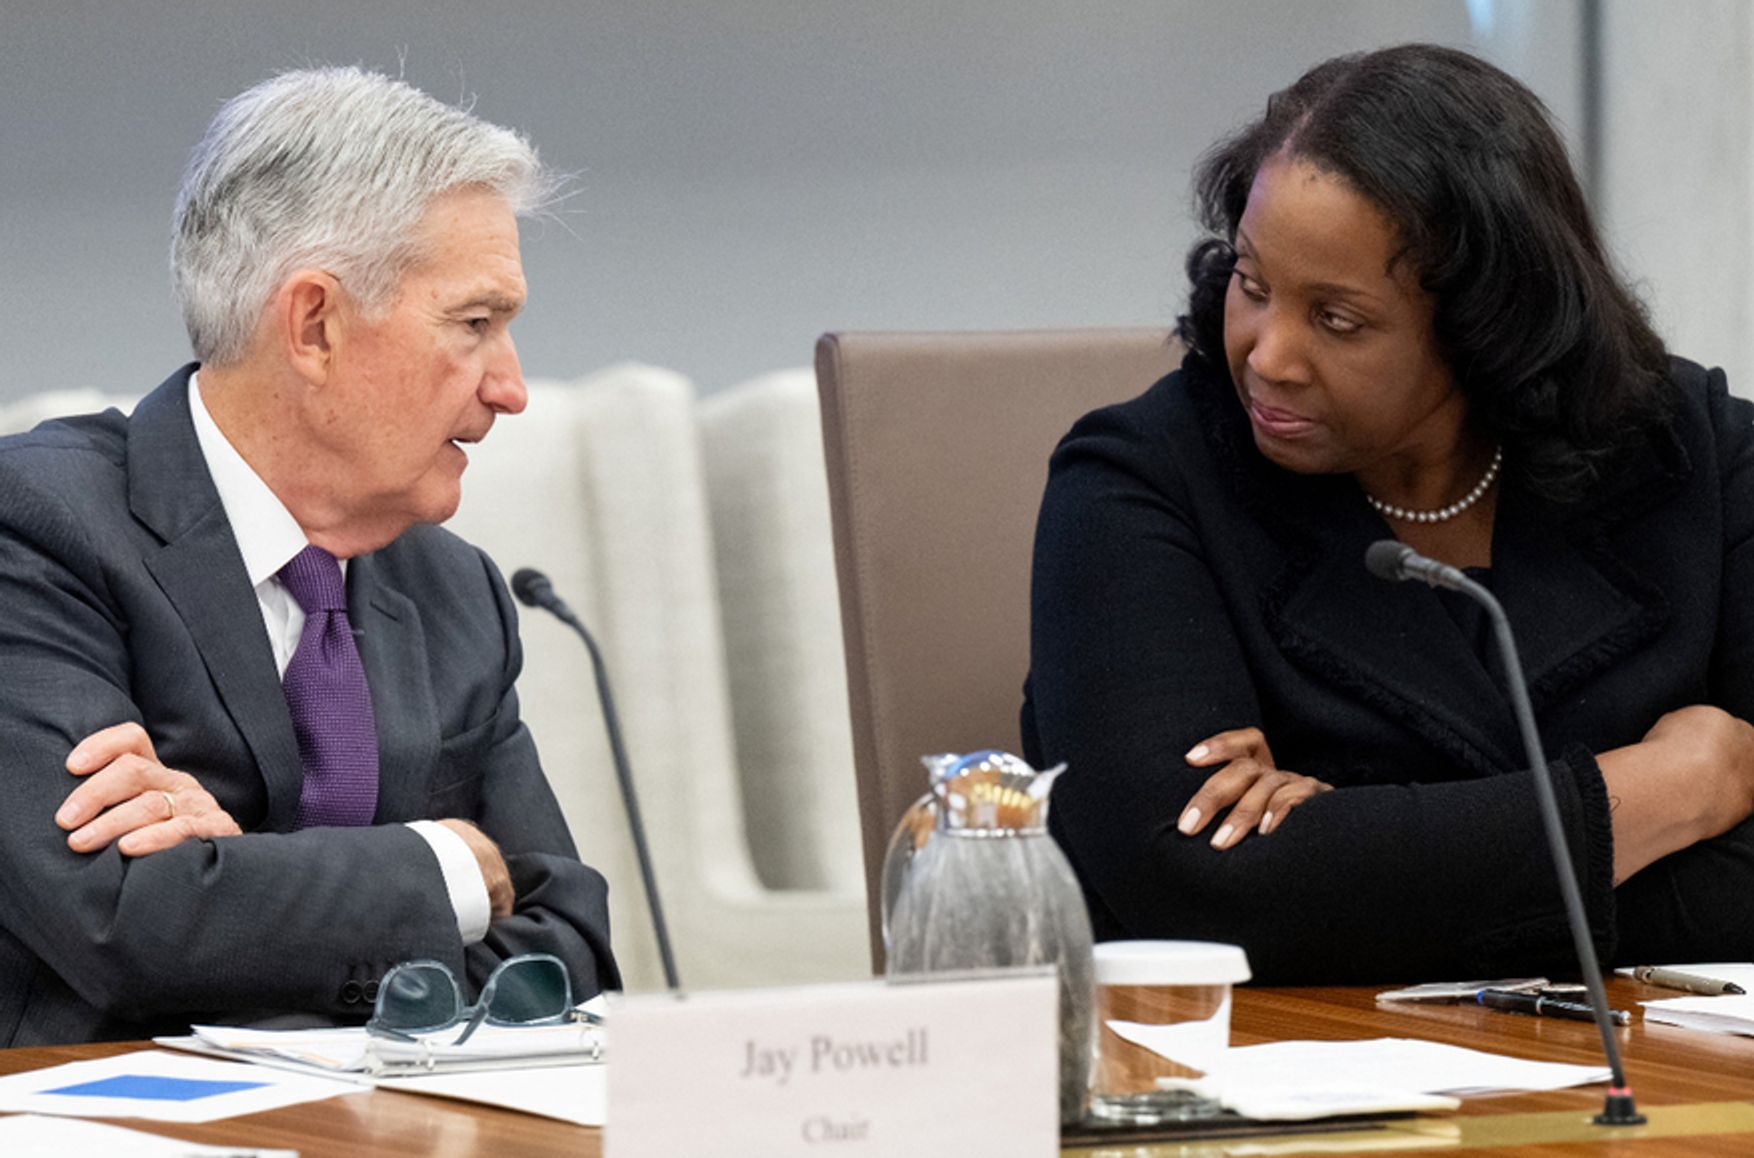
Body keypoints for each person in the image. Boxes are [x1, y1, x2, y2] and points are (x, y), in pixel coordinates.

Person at [1022, 43, 1754, 985]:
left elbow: (1287, 891)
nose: (1269, 356)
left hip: (1665, 1083)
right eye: (1253, 284)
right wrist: (1672, 793)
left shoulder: (1695, 455)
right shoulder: (1139, 480)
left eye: (1338, 319)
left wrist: (1355, 855)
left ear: (1488, 324)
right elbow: (1185, 887)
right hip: (1286, 1088)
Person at [0, 67, 618, 1046]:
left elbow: (566, 947)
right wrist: (453, 867)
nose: (510, 387)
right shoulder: (34, 529)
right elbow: (121, 926)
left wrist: (236, 882)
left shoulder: (456, 592)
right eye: (474, 324)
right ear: (315, 325)